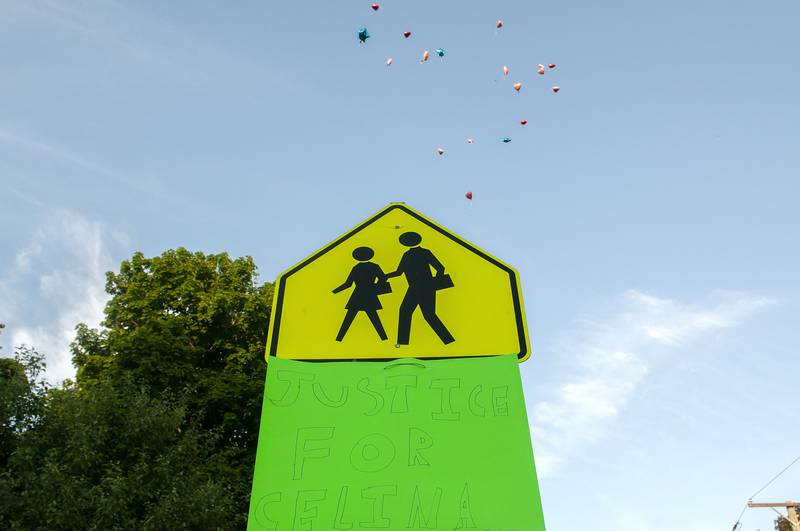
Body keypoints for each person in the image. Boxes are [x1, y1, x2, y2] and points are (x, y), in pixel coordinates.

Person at [386, 231, 455, 346]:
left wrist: (434, 283)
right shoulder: (412, 254)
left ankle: (448, 340)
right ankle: (402, 342)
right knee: (406, 311)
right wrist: (385, 276)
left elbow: (440, 268)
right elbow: (399, 272)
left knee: (427, 315)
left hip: (423, 288)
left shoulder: (419, 253)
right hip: (416, 289)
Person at [332, 246, 388, 341]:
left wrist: (335, 291)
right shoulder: (374, 266)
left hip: (357, 295)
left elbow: (348, 284)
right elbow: (383, 278)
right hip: (370, 294)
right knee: (374, 317)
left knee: (349, 318)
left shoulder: (356, 268)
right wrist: (375, 288)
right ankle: (384, 338)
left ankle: (339, 338)